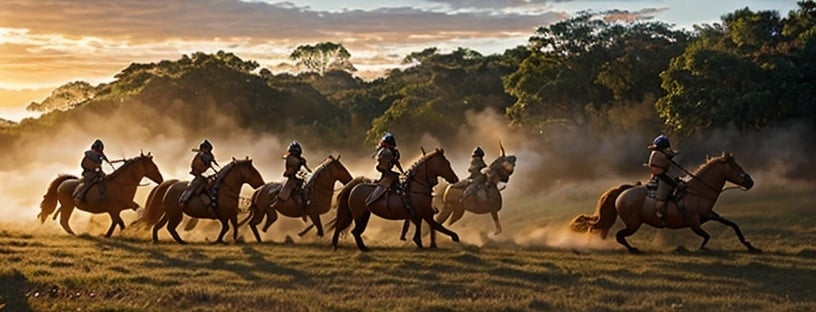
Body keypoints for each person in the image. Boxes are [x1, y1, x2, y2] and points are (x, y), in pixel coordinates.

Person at [365, 132, 405, 207]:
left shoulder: (390, 151)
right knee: (395, 176)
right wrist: (389, 172)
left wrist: (403, 172)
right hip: (383, 168)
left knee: (396, 177)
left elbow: (396, 162)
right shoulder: (386, 151)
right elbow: (384, 164)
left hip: (384, 169)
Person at [179, 139, 218, 208]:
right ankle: (184, 200)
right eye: (206, 149)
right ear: (203, 148)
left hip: (208, 174)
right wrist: (210, 159)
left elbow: (211, 164)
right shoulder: (201, 155)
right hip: (199, 174)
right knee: (195, 185)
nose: (207, 150)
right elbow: (200, 164)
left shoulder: (208, 155)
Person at [648, 134, 677, 223]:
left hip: (664, 175)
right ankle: (660, 213)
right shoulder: (659, 155)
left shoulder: (659, 153)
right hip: (662, 177)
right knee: (662, 197)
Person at [277, 141, 312, 206]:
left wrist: (308, 174)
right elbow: (293, 169)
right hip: (292, 179)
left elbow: (307, 169)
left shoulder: (299, 159)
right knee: (295, 191)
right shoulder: (291, 159)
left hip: (298, 178)